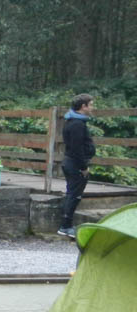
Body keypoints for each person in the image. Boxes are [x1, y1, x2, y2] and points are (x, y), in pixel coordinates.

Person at [58, 93, 97, 239]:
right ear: (83, 106)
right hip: (74, 164)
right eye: (90, 105)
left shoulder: (74, 121)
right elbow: (76, 148)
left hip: (71, 162)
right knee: (74, 195)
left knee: (72, 194)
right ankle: (65, 226)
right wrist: (83, 167)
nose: (92, 107)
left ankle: (66, 225)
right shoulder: (77, 124)